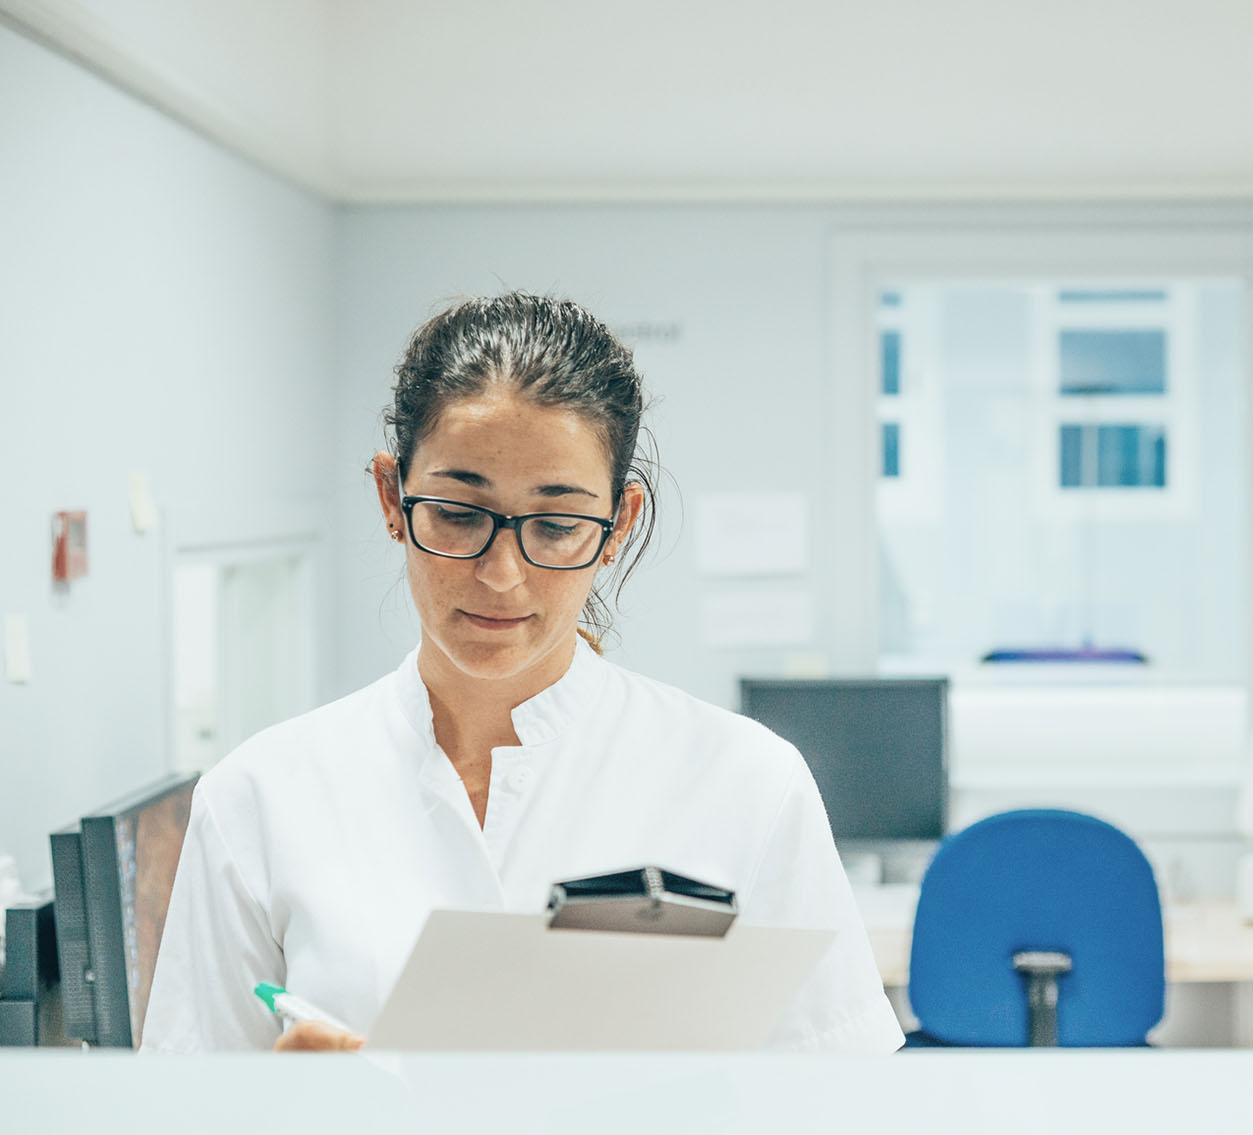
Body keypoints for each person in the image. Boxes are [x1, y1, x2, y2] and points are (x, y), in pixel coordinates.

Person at [141, 293, 903, 1054]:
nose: (502, 574)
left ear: (618, 526)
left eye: (559, 524)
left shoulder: (748, 783)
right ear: (391, 497)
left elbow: (844, 1095)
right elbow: (182, 1102)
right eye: (459, 513)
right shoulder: (258, 798)